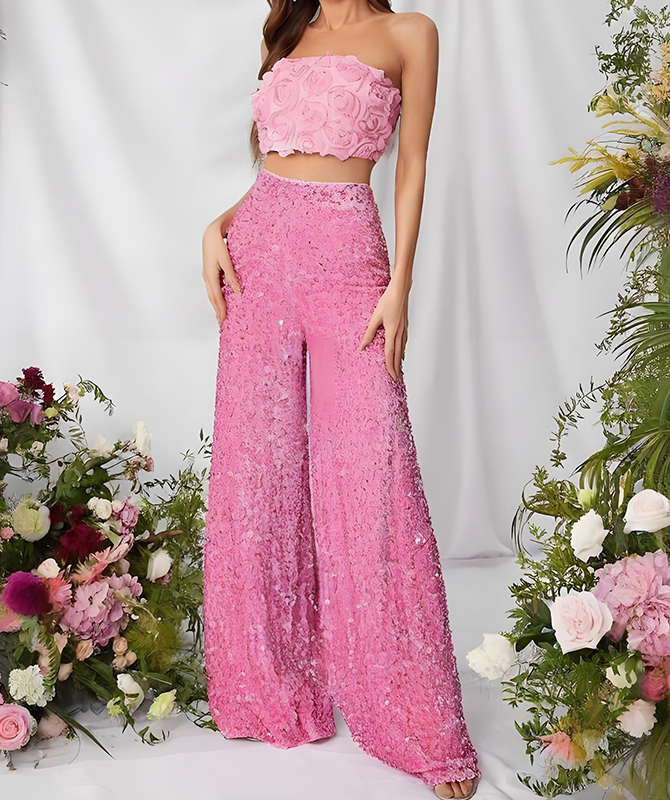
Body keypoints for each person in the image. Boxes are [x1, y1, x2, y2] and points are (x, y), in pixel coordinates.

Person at [200, 2, 480, 797]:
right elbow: (277, 164)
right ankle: (266, 686)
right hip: (257, 253)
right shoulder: (287, 30)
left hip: (350, 255)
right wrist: (219, 225)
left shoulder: (408, 34)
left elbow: (412, 164)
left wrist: (400, 286)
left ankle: (417, 719)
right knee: (258, 473)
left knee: (374, 473)